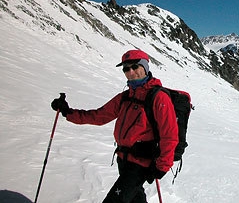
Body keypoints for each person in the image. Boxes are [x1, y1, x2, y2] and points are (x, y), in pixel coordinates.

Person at [51, 49, 178, 203]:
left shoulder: (158, 97)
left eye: (135, 67)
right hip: (123, 159)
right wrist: (68, 112)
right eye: (126, 69)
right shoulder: (125, 97)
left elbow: (169, 135)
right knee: (135, 199)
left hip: (140, 164)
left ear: (145, 67)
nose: (130, 72)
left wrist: (162, 166)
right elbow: (99, 116)